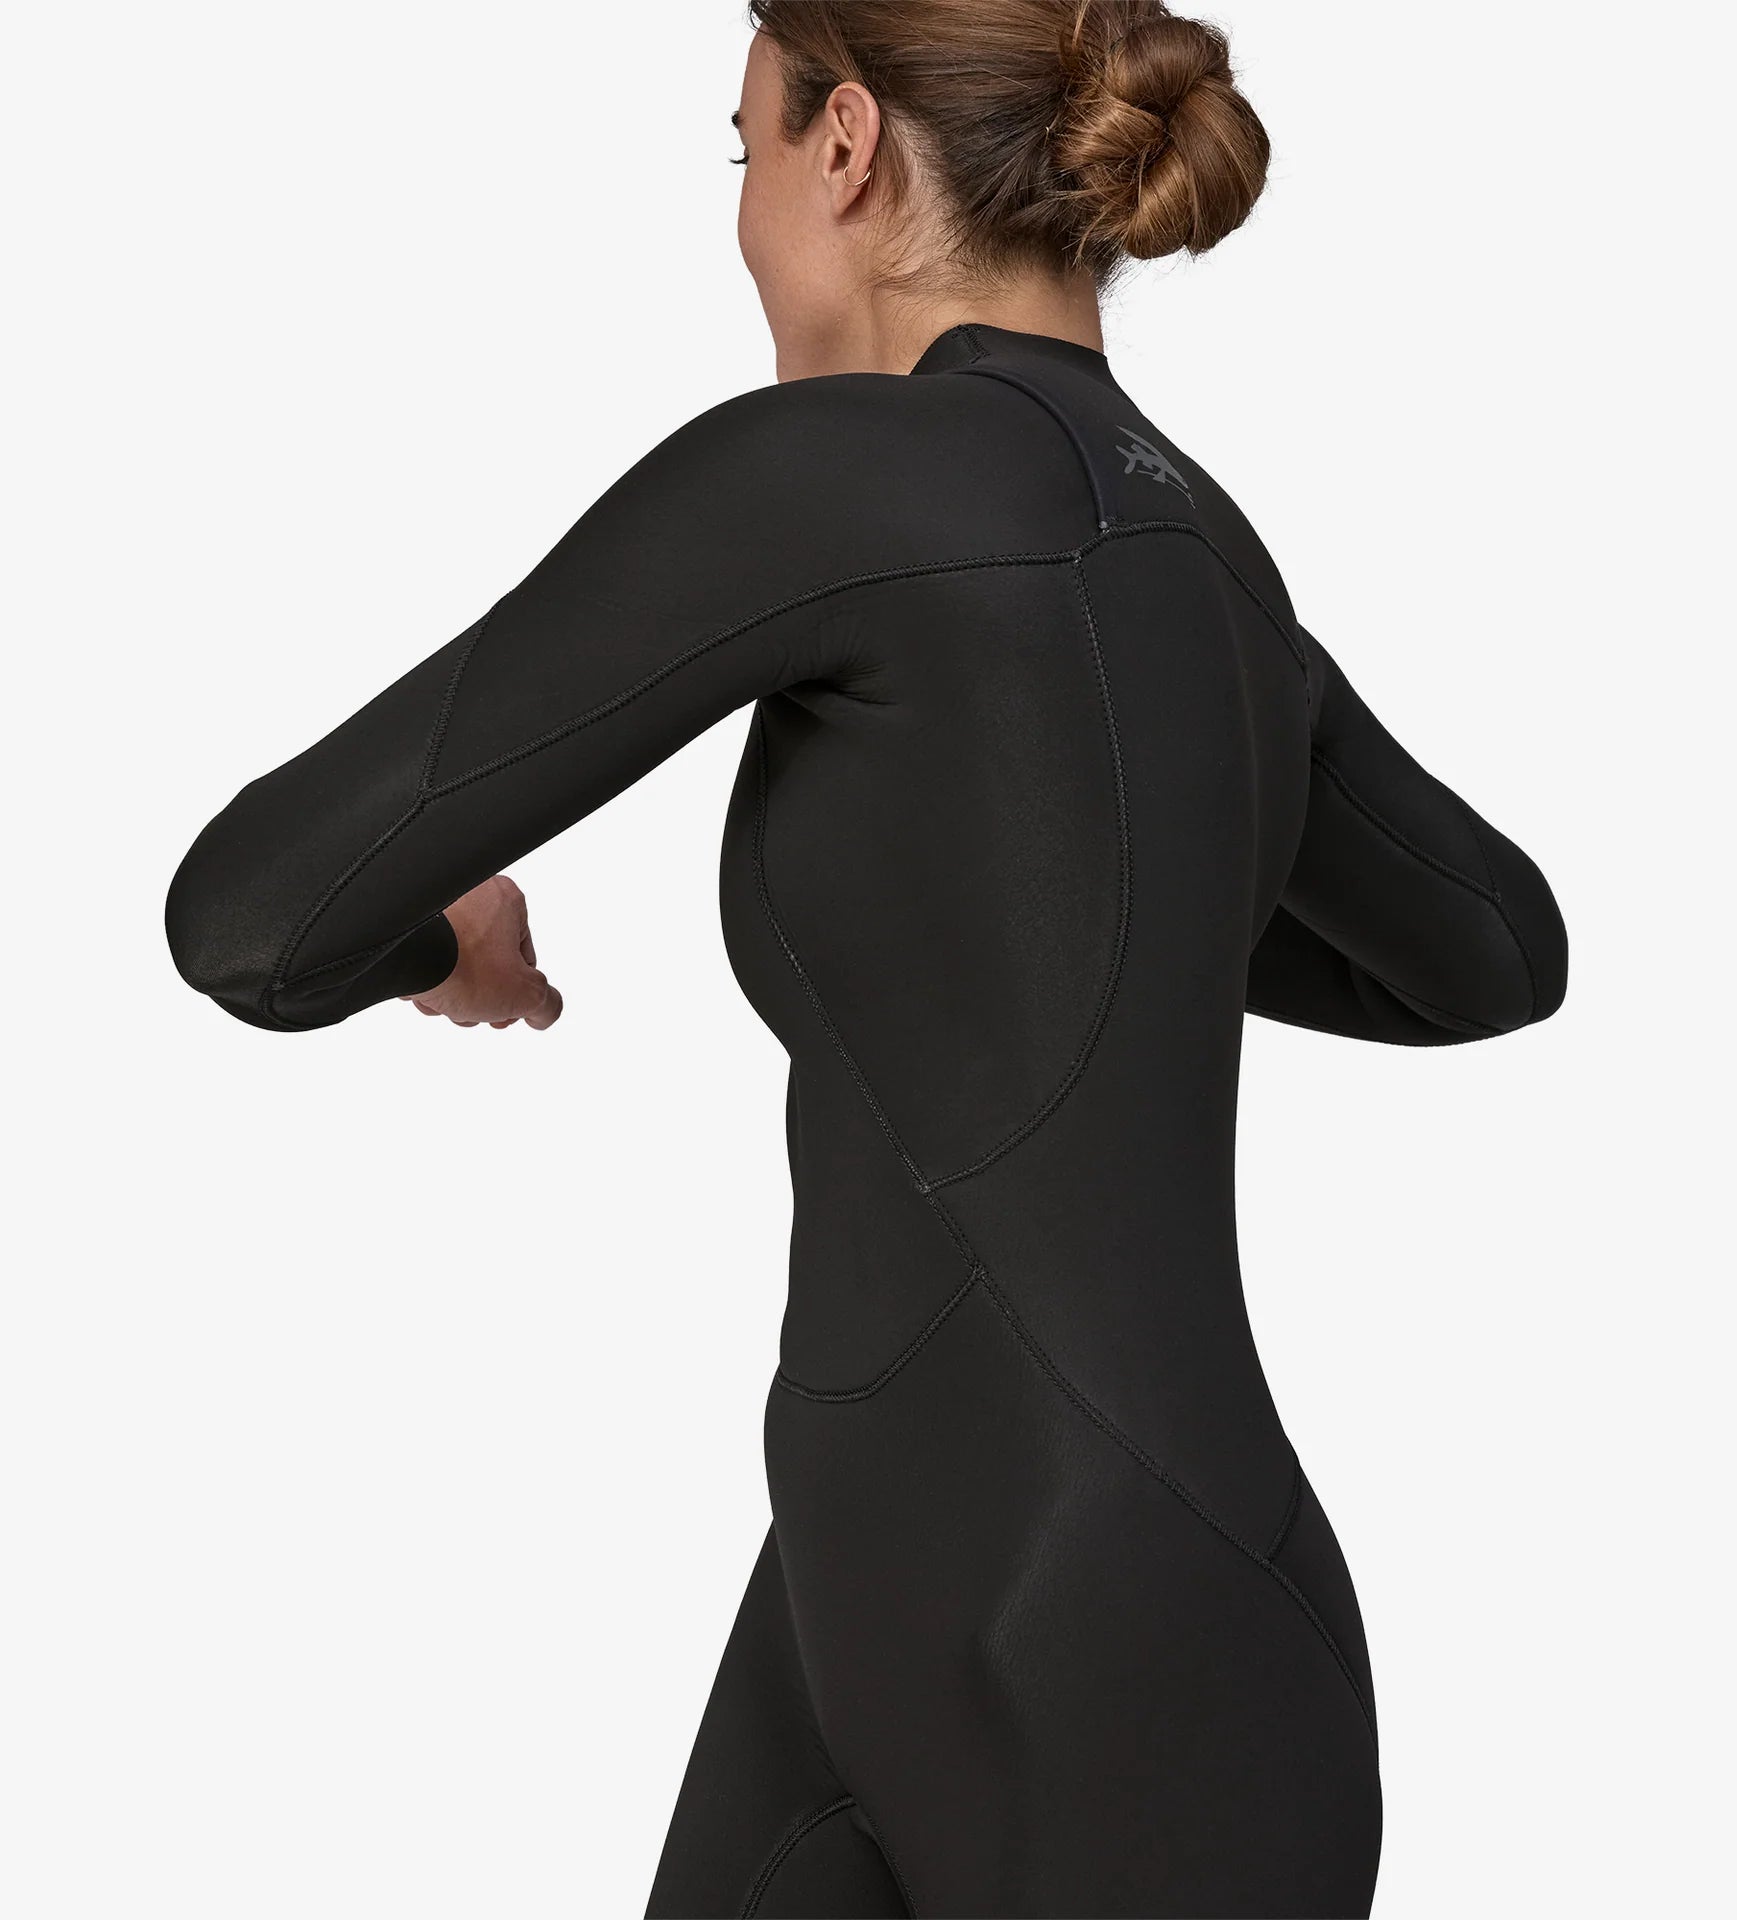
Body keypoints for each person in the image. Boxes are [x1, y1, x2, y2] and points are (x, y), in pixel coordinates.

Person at [165, 1, 1569, 1912]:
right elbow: (1484, 952)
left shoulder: (830, 473)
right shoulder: (1205, 556)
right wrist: (1125, 893)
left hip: (1114, 1675)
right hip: (901, 1610)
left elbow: (253, 916)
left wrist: (439, 930)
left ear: (844, 146)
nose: (742, 208)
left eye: (740, 146)